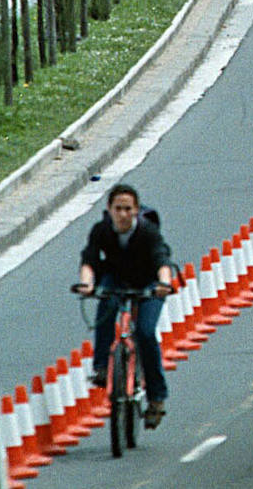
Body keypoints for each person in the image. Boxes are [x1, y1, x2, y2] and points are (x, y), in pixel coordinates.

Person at [75, 183, 173, 429]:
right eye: (118, 208)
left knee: (145, 332)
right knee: (105, 308)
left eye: (128, 209)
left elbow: (162, 261)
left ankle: (157, 399)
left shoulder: (148, 232)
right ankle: (101, 367)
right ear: (109, 210)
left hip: (148, 283)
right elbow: (89, 260)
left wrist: (163, 283)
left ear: (136, 210)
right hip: (117, 279)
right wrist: (86, 285)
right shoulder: (101, 230)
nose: (123, 214)